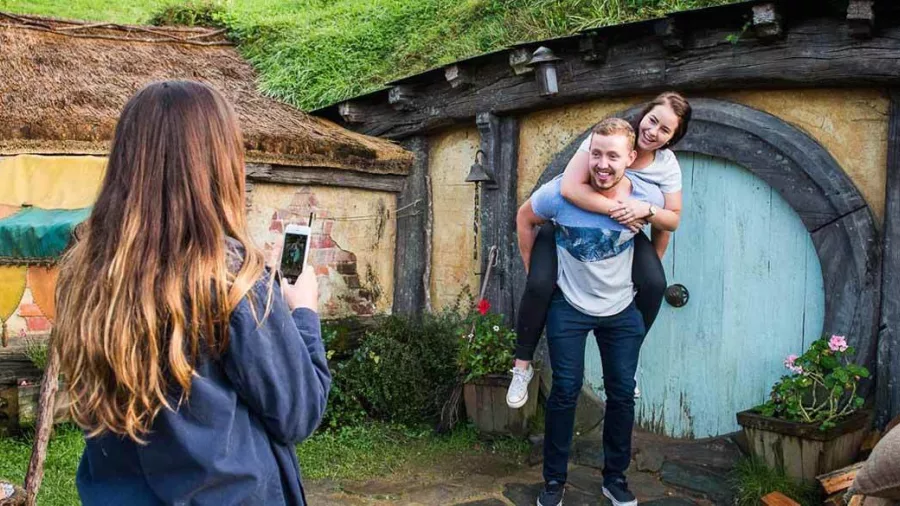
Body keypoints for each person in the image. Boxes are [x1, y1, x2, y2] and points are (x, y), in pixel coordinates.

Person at [53, 80, 330, 506]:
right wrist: (304, 311)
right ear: (218, 164)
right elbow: (298, 410)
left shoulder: (87, 275)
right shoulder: (232, 278)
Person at [507, 91, 692, 408]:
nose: (653, 131)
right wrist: (619, 210)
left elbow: (670, 219)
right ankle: (521, 365)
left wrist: (644, 216)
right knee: (539, 285)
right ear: (643, 114)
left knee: (654, 284)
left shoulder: (666, 166)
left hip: (625, 231)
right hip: (571, 225)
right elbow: (569, 188)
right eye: (652, 120)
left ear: (673, 137)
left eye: (665, 130)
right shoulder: (610, 141)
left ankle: (627, 362)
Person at [516, 118, 665, 506]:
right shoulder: (559, 196)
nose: (602, 163)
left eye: (613, 156)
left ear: (630, 158)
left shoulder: (643, 199)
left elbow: (664, 229)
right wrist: (536, 275)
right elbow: (524, 218)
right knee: (564, 391)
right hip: (570, 305)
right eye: (596, 153)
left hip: (620, 308)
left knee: (621, 396)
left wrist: (650, 269)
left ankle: (614, 479)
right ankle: (553, 482)